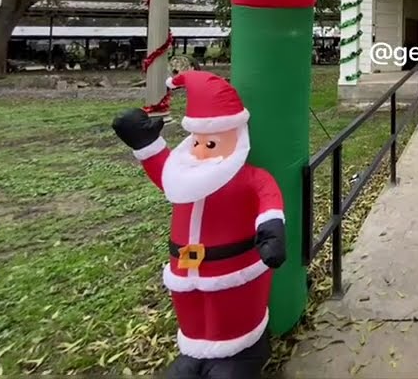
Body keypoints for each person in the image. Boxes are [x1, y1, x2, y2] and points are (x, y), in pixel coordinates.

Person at [111, 70, 287, 379]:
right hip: (185, 270)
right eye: (197, 142)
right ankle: (194, 351)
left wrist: (272, 231)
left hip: (234, 271)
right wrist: (145, 144)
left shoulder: (249, 178)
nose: (200, 151)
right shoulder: (185, 174)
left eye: (211, 144)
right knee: (193, 312)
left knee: (232, 311)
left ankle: (244, 351)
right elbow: (164, 175)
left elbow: (268, 198)